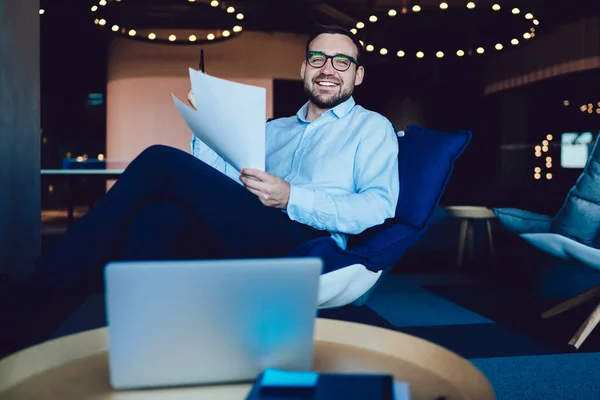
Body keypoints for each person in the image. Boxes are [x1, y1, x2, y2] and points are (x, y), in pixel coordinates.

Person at [0, 24, 399, 354]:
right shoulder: (273, 129)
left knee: (159, 159)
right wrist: (208, 128)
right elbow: (224, 186)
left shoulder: (371, 127)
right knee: (158, 217)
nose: (328, 68)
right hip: (252, 226)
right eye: (318, 58)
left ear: (357, 74)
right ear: (304, 68)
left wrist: (293, 197)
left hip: (306, 239)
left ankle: (31, 300)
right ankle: (142, 347)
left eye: (342, 61)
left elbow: (378, 206)